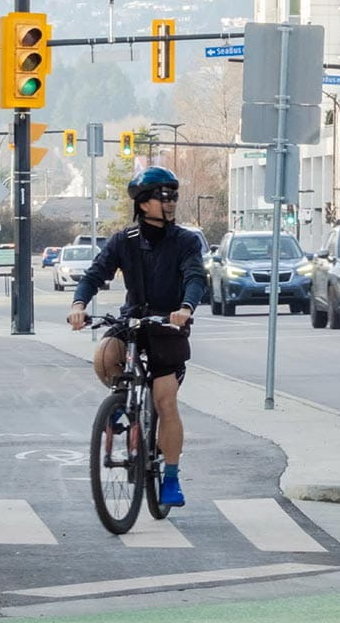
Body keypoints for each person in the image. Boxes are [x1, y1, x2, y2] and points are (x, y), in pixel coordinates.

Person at [67, 167, 206, 508]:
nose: (171, 202)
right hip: (134, 320)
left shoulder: (186, 241)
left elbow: (195, 277)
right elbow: (95, 274)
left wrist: (185, 308)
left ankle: (170, 476)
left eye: (173, 195)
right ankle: (121, 403)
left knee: (164, 401)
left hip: (167, 326)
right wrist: (79, 304)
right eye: (163, 196)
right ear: (143, 204)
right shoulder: (123, 241)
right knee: (105, 356)